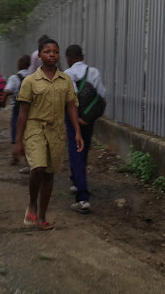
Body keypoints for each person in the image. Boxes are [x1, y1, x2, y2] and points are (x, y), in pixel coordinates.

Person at [12, 38, 84, 230]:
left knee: (49, 174)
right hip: (35, 129)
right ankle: (32, 204)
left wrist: (77, 132)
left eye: (55, 52)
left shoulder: (66, 80)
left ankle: (42, 214)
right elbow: (23, 113)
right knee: (38, 167)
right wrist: (18, 141)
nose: (52, 54)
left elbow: (71, 107)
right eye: (47, 51)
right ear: (40, 55)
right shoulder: (30, 81)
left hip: (57, 131)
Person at [64, 44, 107, 213]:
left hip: (74, 120)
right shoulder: (94, 72)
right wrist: (87, 118)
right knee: (84, 150)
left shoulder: (68, 74)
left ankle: (82, 199)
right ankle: (75, 181)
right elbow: (102, 96)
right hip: (89, 120)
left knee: (75, 154)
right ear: (82, 56)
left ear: (68, 59)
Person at [5, 54, 31, 167]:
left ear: (19, 64)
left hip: (18, 109)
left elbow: (8, 90)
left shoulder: (14, 78)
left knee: (17, 133)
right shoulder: (34, 77)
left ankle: (19, 157)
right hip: (32, 109)